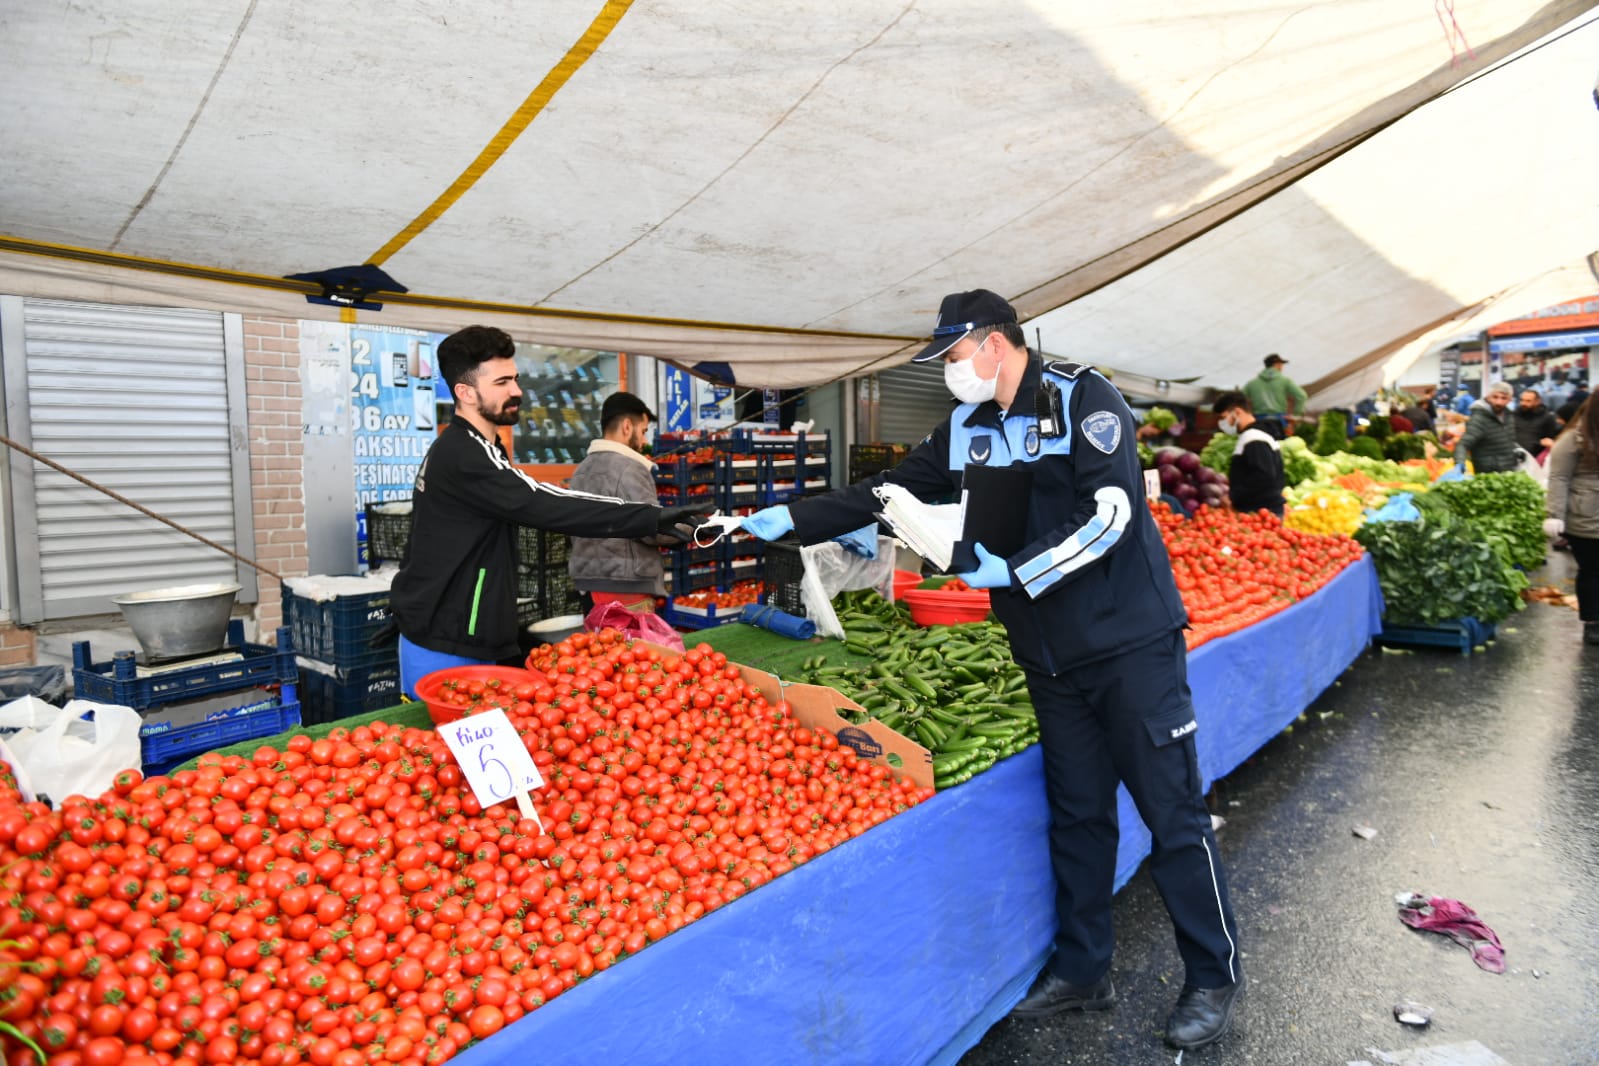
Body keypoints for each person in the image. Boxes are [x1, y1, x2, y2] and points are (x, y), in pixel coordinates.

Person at [740, 290, 1243, 1051]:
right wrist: (797, 517)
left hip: (1127, 643)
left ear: (993, 343)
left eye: (952, 355)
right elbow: (890, 494)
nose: (948, 370)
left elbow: (1110, 513)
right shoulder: (968, 427)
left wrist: (1013, 572)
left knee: (1170, 815)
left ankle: (1211, 976)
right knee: (1076, 813)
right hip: (1046, 655)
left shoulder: (1081, 396)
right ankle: (1083, 969)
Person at [389, 326, 708, 696]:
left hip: (450, 627)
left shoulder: (475, 448)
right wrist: (650, 516)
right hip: (446, 640)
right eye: (502, 382)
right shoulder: (464, 455)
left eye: (516, 378)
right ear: (465, 392)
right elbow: (547, 503)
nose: (517, 391)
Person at [567, 392, 668, 612]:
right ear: (626, 426)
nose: (643, 442)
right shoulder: (630, 468)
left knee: (601, 645)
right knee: (634, 646)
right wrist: (690, 530)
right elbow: (650, 528)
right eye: (643, 432)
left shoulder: (581, 471)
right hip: (628, 589)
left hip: (589, 587)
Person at [1544, 398, 1599, 645]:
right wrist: (1554, 515)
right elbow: (1558, 478)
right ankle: (1593, 622)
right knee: (1592, 570)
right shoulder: (1573, 439)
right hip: (1586, 517)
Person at [1211, 392, 1284, 517]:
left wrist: (1233, 496)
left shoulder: (1253, 438)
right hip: (1264, 510)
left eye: (1224, 418)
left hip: (1260, 512)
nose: (1222, 423)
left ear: (1238, 412)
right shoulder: (1259, 435)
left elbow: (1263, 476)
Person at [1453, 381, 1521, 473]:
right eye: (1495, 397)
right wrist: (1459, 464)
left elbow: (1507, 440)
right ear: (1488, 397)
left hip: (1508, 472)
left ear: (1510, 400)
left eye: (1504, 398)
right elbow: (1463, 444)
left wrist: (1517, 451)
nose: (1499, 402)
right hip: (1488, 475)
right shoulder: (1479, 419)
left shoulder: (1509, 416)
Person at [1242, 354, 1308, 437]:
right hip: (1280, 421)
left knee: (1261, 446)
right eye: (1281, 364)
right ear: (1277, 364)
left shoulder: (1252, 383)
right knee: (1281, 447)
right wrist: (1295, 416)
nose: (1282, 367)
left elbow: (1238, 399)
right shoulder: (1285, 380)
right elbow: (1301, 396)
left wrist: (1247, 415)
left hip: (1259, 421)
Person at [1512, 389, 1561, 458]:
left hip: (1536, 458)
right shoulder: (1514, 415)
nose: (1523, 403)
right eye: (1522, 400)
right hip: (1514, 455)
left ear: (1537, 401)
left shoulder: (1547, 418)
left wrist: (1539, 443)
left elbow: (1549, 439)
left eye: (1528, 401)